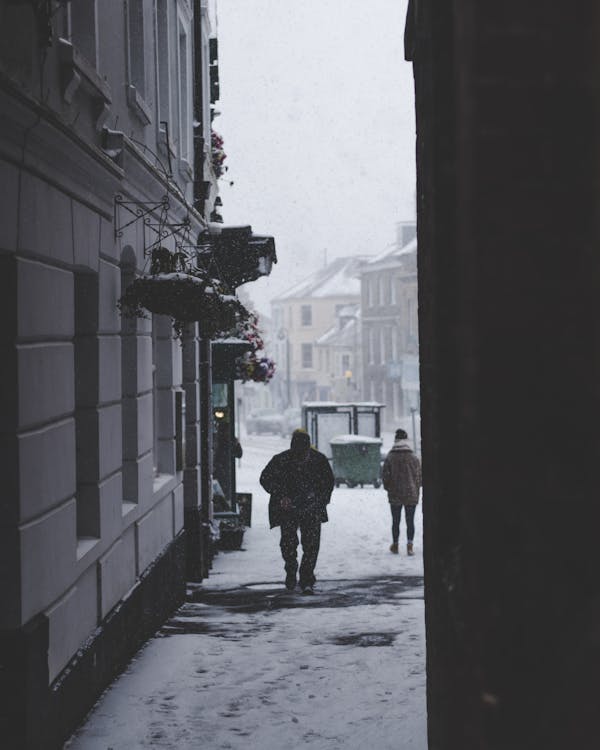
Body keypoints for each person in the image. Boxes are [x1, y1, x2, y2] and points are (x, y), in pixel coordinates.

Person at [260, 429, 334, 594]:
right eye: (297, 456)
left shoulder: (319, 460)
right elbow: (265, 478)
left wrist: (319, 500)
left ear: (309, 450)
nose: (300, 460)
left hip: (311, 508)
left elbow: (328, 483)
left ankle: (306, 576)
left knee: (311, 545)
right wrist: (281, 496)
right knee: (288, 543)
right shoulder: (281, 460)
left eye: (303, 456)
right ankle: (291, 569)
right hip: (288, 509)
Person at [382, 428, 422, 555]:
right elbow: (419, 477)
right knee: (410, 521)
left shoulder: (390, 456)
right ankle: (410, 546)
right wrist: (415, 488)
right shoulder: (414, 457)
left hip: (395, 494)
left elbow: (385, 476)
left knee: (396, 521)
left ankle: (395, 545)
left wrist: (389, 488)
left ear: (396, 440)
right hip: (411, 494)